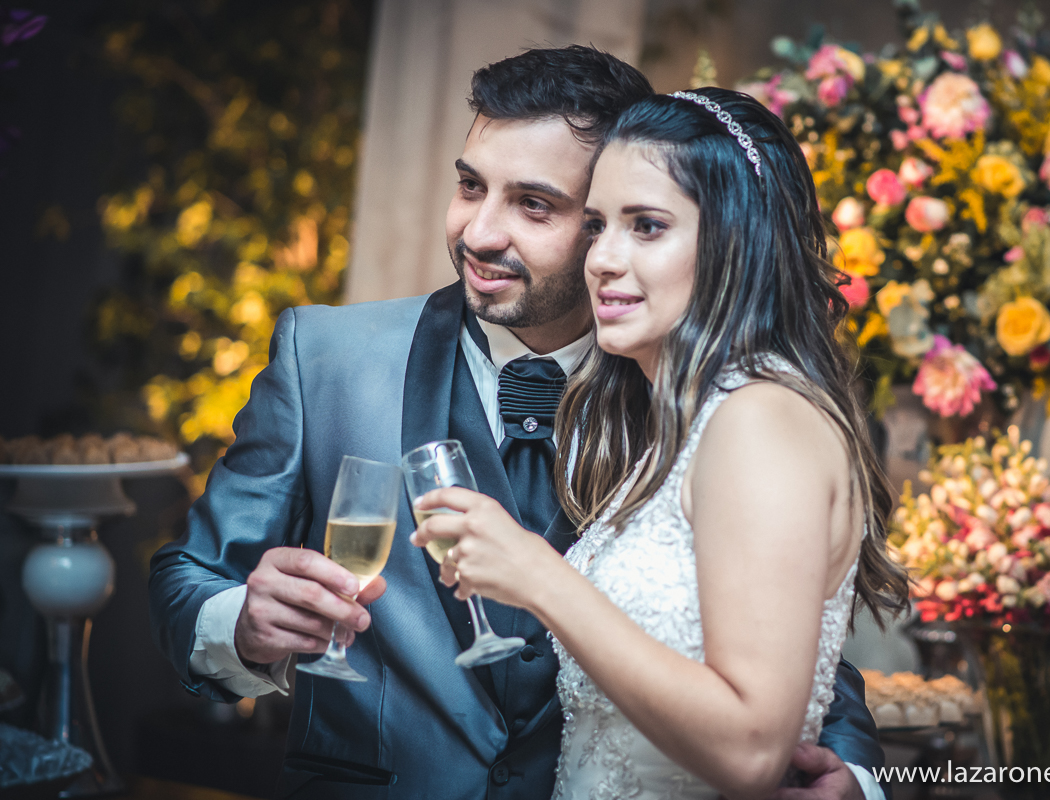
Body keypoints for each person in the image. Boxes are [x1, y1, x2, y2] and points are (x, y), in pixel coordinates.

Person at [148, 47, 891, 800]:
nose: (478, 233)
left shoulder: (696, 401)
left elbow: (779, 642)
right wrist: (241, 622)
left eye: (535, 205)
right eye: (470, 187)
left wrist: (855, 778)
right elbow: (186, 579)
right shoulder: (325, 358)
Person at [408, 87, 910, 800]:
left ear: (736, 239)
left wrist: (540, 578)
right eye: (596, 225)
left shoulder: (758, 420)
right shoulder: (680, 424)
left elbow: (750, 753)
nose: (603, 259)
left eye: (646, 227)